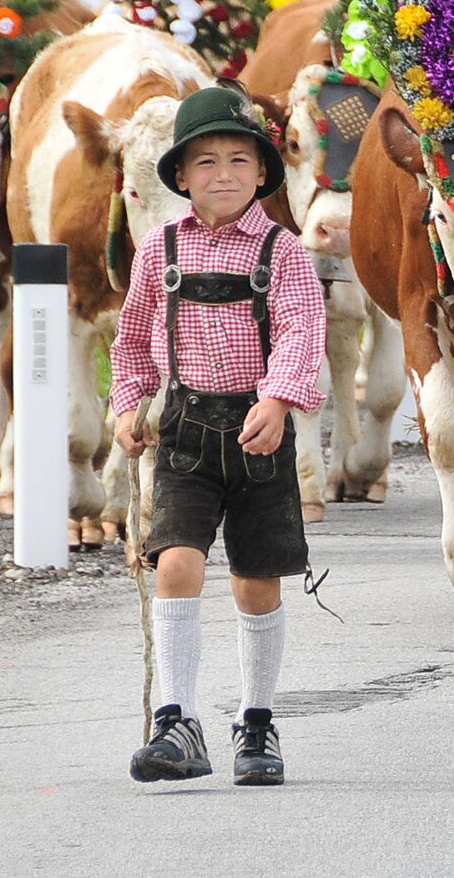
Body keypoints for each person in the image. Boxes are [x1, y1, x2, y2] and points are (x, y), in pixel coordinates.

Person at [110, 86, 328, 785]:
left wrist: (278, 398)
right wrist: (127, 406)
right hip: (184, 433)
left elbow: (301, 330)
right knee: (175, 561)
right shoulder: (158, 249)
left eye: (239, 160)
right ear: (179, 175)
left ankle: (256, 725)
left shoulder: (283, 251)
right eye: (205, 162)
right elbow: (132, 341)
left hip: (259, 432)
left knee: (256, 580)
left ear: (263, 172)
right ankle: (176, 720)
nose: (224, 174)